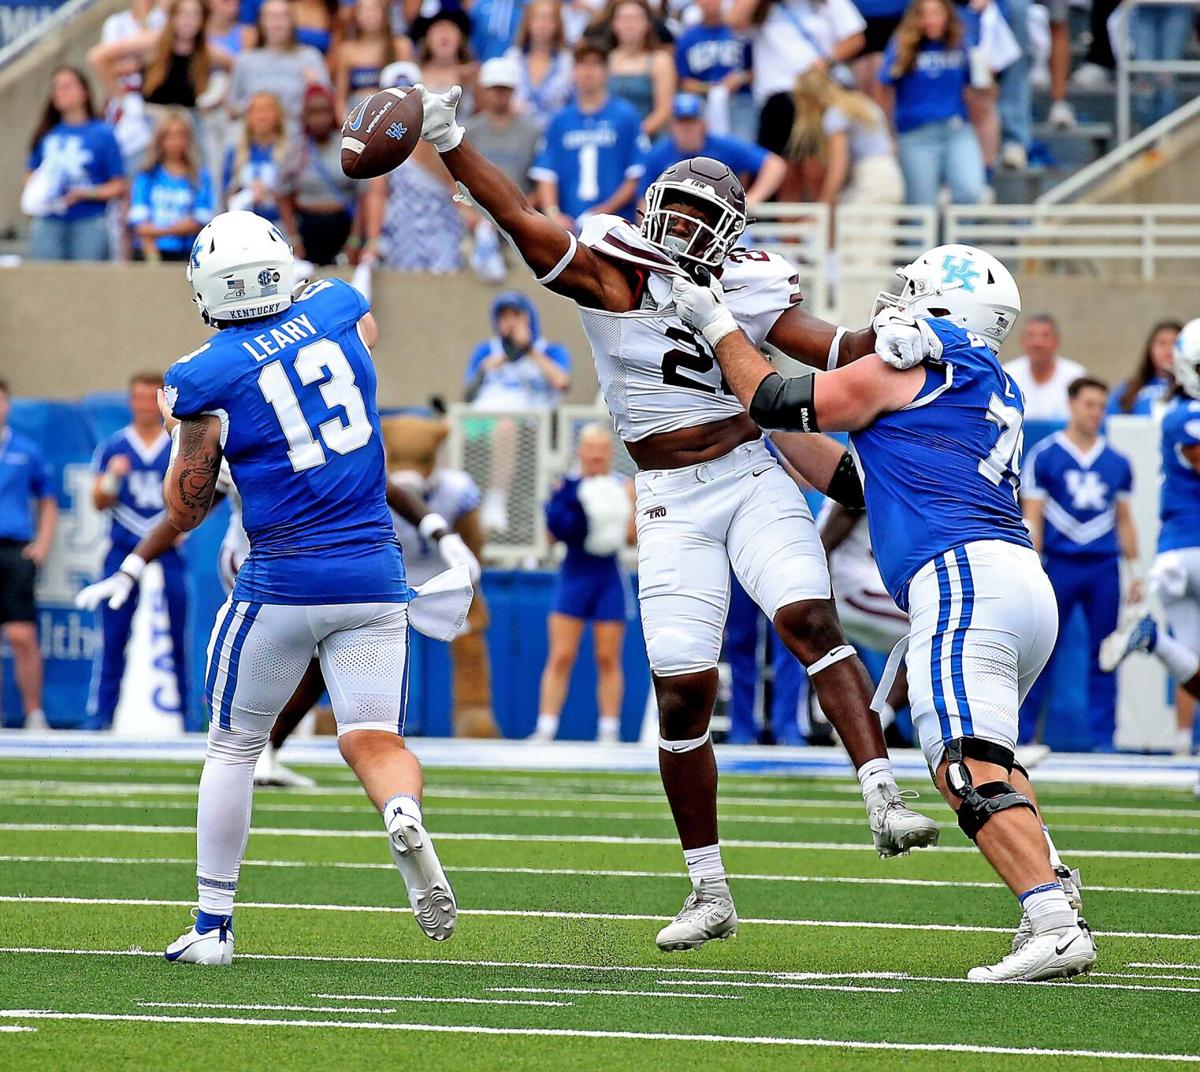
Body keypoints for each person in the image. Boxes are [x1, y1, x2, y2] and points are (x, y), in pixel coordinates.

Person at [415, 86, 939, 952]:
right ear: (654, 211)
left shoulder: (748, 282)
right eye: (681, 212)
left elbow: (825, 346)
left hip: (747, 470)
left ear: (731, 232)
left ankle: (883, 794)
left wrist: (904, 340)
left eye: (707, 217)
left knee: (808, 616)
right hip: (665, 499)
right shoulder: (612, 269)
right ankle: (709, 889)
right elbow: (517, 216)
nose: (689, 231)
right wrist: (452, 141)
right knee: (682, 690)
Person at [671, 241, 1093, 981]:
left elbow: (776, 395)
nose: (893, 305)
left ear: (942, 305)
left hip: (963, 576)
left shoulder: (919, 356)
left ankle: (1051, 921)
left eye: (912, 290)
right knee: (992, 758)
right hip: (1017, 582)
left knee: (962, 764)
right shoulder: (978, 378)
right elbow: (849, 480)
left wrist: (717, 323)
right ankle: (1054, 889)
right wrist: (758, 425)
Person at [159, 211, 463, 964]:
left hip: (282, 581)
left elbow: (186, 507)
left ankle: (212, 926)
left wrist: (192, 435)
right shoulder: (337, 309)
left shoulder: (202, 375)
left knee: (233, 746)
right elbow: (353, 345)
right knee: (373, 737)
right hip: (374, 575)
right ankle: (399, 808)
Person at [1023, 378, 1140, 751]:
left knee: (1106, 652)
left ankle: (1104, 739)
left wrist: (1135, 570)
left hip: (1104, 566)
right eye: (1089, 404)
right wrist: (1031, 564)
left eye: (1101, 406)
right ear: (1071, 405)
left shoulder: (1117, 461)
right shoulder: (1045, 455)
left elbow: (1124, 518)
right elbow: (1033, 516)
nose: (1095, 413)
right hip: (1059, 565)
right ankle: (1023, 736)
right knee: (1041, 650)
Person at [1102, 319, 1200, 758]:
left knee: (1195, 668)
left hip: (1178, 551)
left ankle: (1154, 640)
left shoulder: (1175, 410)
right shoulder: (1186, 416)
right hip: (1191, 546)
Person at [86, 372, 189, 732]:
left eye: (151, 398)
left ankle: (188, 719)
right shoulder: (116, 446)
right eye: (139, 398)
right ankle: (102, 716)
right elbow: (97, 500)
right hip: (123, 547)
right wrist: (113, 478)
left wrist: (183, 527)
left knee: (179, 634)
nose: (145, 406)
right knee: (113, 634)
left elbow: (202, 491)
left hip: (166, 548)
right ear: (130, 402)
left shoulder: (179, 443)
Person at [534, 424, 634, 743]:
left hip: (608, 575)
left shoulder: (624, 486)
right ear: (580, 451)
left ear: (610, 453)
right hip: (574, 573)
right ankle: (546, 728)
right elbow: (550, 536)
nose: (595, 455)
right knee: (561, 654)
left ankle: (609, 730)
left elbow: (631, 537)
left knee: (608, 657)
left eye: (602, 449)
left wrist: (613, 517)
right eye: (590, 449)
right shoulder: (566, 485)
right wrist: (566, 512)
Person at [464, 291, 572, 532]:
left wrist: (528, 350)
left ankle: (496, 499)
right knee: (446, 429)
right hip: (480, 422)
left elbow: (562, 383)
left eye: (516, 315)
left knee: (505, 426)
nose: (509, 322)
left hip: (528, 428)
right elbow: (468, 394)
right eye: (504, 317)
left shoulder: (550, 351)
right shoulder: (486, 351)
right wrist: (499, 360)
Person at [530, 39, 649, 229]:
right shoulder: (560, 120)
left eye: (595, 64)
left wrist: (603, 211)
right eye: (582, 64)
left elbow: (636, 174)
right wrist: (554, 214)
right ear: (573, 71)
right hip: (569, 226)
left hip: (616, 224)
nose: (588, 71)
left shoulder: (626, 116)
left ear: (606, 71)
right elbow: (546, 173)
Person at [818, 500, 911, 738]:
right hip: (851, 588)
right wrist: (818, 597)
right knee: (944, 627)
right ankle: (869, 722)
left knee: (935, 642)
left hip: (857, 584)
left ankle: (873, 720)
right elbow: (826, 541)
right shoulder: (863, 467)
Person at [879, 0, 984, 208]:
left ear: (947, 15)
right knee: (921, 208)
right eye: (924, 14)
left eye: (936, 13)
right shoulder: (901, 46)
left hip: (956, 130)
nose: (930, 20)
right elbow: (884, 88)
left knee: (971, 191)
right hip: (915, 134)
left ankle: (958, 237)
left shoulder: (961, 43)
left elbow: (977, 90)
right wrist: (888, 133)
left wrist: (986, 79)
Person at [727, 0, 866, 155]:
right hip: (777, 97)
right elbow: (733, 20)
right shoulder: (763, 7)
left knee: (815, 163)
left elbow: (855, 37)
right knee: (781, 164)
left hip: (817, 93)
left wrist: (826, 62)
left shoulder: (829, 3)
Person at [23, 66, 127, 262]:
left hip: (89, 220)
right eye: (57, 87)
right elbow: (30, 173)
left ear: (84, 91)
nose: (61, 92)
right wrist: (44, 190)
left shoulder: (103, 133)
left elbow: (118, 185)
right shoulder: (47, 133)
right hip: (49, 219)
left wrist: (85, 194)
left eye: (68, 86)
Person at [0, 380, 57, 731]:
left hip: (14, 548)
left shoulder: (25, 449)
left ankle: (34, 713)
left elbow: (47, 501)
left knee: (21, 635)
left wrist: (42, 544)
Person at [638, 93, 787, 212]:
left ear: (704, 124)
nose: (687, 128)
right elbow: (644, 200)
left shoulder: (724, 147)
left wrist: (750, 201)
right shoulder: (657, 155)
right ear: (671, 126)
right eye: (681, 122)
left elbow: (774, 165)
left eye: (692, 121)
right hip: (677, 223)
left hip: (720, 221)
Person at [787, 66, 903, 208]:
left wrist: (824, 205)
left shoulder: (835, 115)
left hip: (870, 182)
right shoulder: (862, 104)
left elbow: (838, 167)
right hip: (890, 175)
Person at [88, 0, 232, 110]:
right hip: (153, 117)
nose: (188, 21)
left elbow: (238, 66)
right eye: (183, 15)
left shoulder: (207, 51)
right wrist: (124, 101)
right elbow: (97, 57)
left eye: (195, 16)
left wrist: (221, 95)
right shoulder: (154, 40)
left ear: (203, 20)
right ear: (172, 17)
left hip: (188, 124)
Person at [129, 109, 215, 261]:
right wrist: (173, 230)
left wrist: (160, 230)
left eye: (181, 135)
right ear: (160, 139)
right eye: (169, 136)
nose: (175, 142)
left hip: (188, 253)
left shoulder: (200, 177)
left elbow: (200, 220)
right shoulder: (147, 175)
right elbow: (139, 222)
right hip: (150, 252)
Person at [287, 84, 359, 265]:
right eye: (313, 112)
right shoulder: (297, 149)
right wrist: (294, 237)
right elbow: (282, 193)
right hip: (308, 227)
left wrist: (355, 239)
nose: (319, 119)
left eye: (324, 111)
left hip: (342, 225)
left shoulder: (347, 145)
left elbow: (364, 195)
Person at [228, 0, 331, 121]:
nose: (277, 22)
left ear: (293, 22)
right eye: (271, 17)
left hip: (298, 134)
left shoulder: (310, 57)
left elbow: (328, 103)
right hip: (255, 135)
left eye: (284, 16)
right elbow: (232, 109)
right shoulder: (245, 60)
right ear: (261, 23)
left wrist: (315, 87)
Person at [673, 0, 757, 143]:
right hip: (703, 103)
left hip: (739, 100)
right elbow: (683, 82)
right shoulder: (687, 38)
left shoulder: (739, 31)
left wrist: (740, 78)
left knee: (744, 145)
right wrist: (714, 88)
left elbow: (756, 71)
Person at [224, 91, 300, 229]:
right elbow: (227, 191)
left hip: (278, 225)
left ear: (278, 115)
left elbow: (295, 192)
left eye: (267, 110)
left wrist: (270, 193)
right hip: (243, 226)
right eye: (257, 110)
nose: (262, 116)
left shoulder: (291, 151)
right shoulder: (236, 152)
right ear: (248, 116)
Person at [601, 0, 676, 136]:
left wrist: (636, 135)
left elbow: (664, 110)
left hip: (650, 138)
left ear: (647, 24)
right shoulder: (604, 60)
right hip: (608, 136)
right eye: (624, 19)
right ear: (613, 24)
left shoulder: (661, 60)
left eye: (635, 19)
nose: (629, 25)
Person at [1002, 314, 1086, 423]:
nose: (1038, 343)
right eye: (1031, 336)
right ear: (1022, 341)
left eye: (1045, 336)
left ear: (1057, 341)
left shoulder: (1076, 376)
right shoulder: (1006, 375)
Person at [332, 0, 411, 114]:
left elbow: (411, 90)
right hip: (357, 116)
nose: (369, 14)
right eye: (363, 10)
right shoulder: (346, 51)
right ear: (355, 15)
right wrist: (346, 125)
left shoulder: (401, 46)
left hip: (394, 115)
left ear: (385, 13)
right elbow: (340, 98)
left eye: (374, 9)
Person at [505, 0, 575, 129]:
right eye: (538, 18)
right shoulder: (512, 58)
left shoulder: (568, 62)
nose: (543, 25)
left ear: (557, 24)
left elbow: (574, 103)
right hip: (518, 133)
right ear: (528, 22)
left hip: (558, 132)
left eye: (549, 19)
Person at [1109, 320, 1182, 416]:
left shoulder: (1193, 389)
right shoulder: (1129, 388)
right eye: (1162, 343)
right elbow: (1110, 421)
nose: (1168, 351)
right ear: (1150, 349)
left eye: (1175, 343)